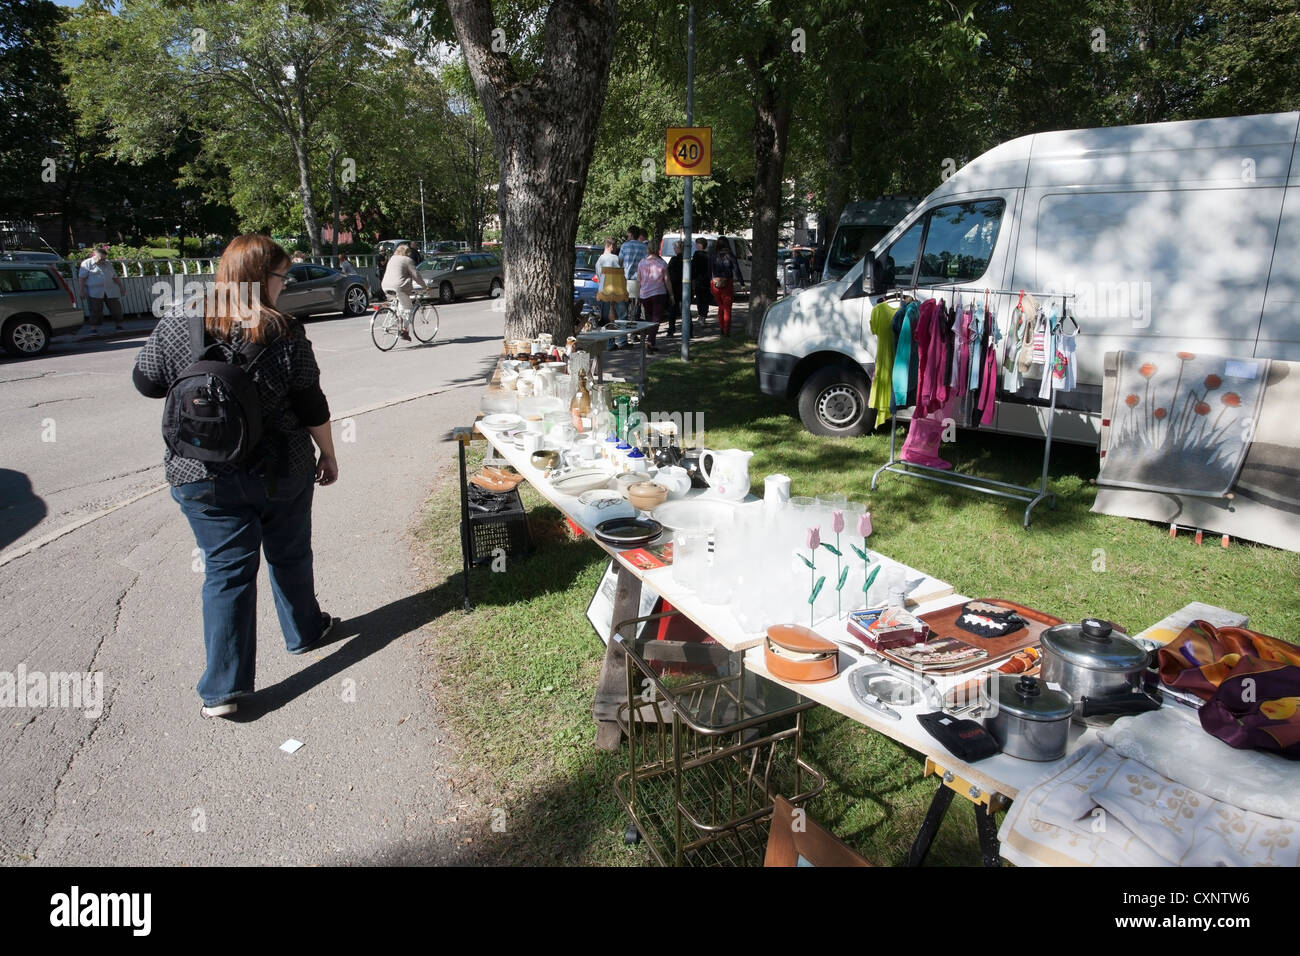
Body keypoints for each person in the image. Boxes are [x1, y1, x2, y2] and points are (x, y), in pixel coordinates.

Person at [131, 234, 338, 719]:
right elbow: (312, 404)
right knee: (289, 553)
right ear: (260, 277)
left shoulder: (180, 319)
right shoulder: (283, 331)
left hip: (199, 472)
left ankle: (223, 689)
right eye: (281, 276)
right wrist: (328, 455)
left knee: (225, 572)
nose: (284, 285)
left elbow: (145, 381)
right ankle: (305, 631)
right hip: (279, 469)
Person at [380, 243, 429, 342]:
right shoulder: (407, 260)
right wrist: (425, 287)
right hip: (399, 287)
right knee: (408, 309)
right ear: (407, 253)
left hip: (385, 285)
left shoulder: (392, 259)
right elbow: (416, 275)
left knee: (398, 305)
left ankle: (394, 317)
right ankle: (405, 331)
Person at [636, 237, 675, 353]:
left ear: (648, 249)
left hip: (644, 295)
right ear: (657, 249)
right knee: (656, 319)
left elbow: (639, 280)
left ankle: (651, 342)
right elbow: (667, 280)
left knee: (649, 319)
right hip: (658, 293)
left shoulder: (641, 263)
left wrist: (638, 295)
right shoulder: (662, 263)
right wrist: (671, 295)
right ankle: (650, 341)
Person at [78, 246, 125, 335]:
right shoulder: (86, 263)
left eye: (104, 259)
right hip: (94, 291)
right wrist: (81, 290)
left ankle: (118, 325)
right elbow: (82, 278)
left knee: (116, 308)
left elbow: (114, 276)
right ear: (94, 255)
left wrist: (121, 287)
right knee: (96, 310)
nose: (102, 261)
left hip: (110, 290)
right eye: (100, 259)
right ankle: (93, 328)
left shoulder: (107, 263)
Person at [593, 237, 628, 350]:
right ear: (611, 246)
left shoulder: (600, 260)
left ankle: (609, 342)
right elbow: (622, 274)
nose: (616, 249)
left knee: (606, 317)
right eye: (615, 246)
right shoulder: (616, 258)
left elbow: (599, 277)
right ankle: (622, 340)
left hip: (605, 291)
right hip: (618, 290)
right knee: (621, 316)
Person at [711, 237, 741, 336]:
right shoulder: (730, 256)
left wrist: (711, 280)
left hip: (715, 282)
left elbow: (708, 270)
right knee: (727, 307)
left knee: (720, 306)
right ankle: (726, 330)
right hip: (727, 282)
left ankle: (721, 327)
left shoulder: (713, 256)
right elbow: (736, 270)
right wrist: (742, 283)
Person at [621, 225, 648, 325]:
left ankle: (625, 327)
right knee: (636, 305)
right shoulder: (644, 247)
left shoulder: (624, 246)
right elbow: (646, 263)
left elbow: (620, 261)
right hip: (638, 280)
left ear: (631, 235)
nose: (627, 236)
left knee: (625, 305)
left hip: (625, 279)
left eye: (628, 234)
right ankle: (634, 330)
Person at [666, 240, 686, 338]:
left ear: (678, 249)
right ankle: (688, 330)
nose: (674, 249)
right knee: (686, 309)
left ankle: (671, 330)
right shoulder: (687, 259)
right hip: (684, 286)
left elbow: (669, 273)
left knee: (672, 310)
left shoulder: (674, 260)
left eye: (675, 248)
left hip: (675, 287)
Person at [692, 237, 712, 325]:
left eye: (696, 244)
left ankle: (701, 315)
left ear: (700, 245)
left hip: (698, 279)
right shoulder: (708, 255)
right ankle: (703, 316)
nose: (695, 246)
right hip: (706, 279)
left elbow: (694, 267)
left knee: (699, 298)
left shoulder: (696, 254)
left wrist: (692, 278)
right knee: (705, 298)